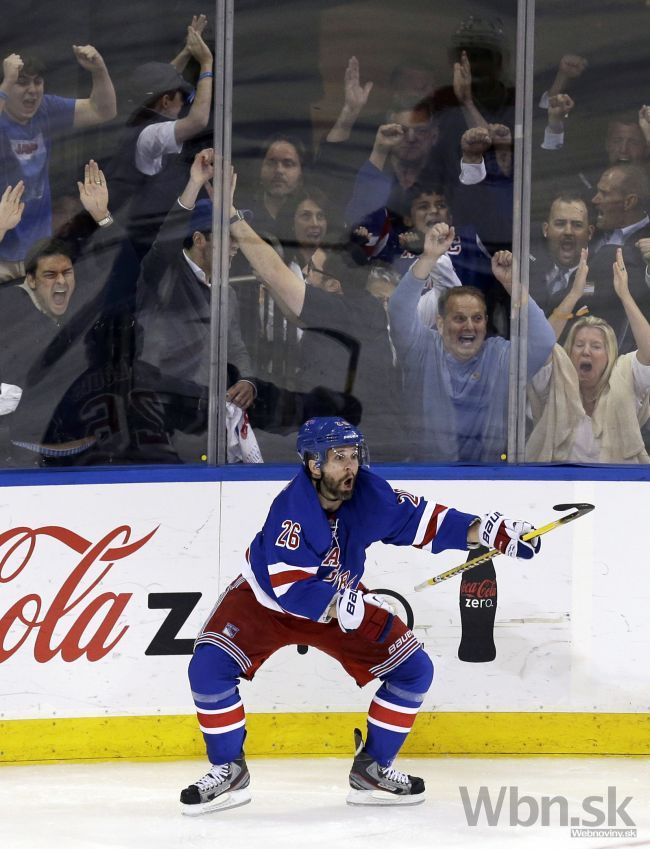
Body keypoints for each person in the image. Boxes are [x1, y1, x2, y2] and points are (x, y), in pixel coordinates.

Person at [180, 416, 542, 814]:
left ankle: (373, 770)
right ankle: (229, 769)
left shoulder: (370, 494)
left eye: (354, 455)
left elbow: (423, 520)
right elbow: (291, 589)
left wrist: (489, 532)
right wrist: (339, 605)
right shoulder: (292, 511)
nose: (351, 466)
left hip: (339, 599)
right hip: (265, 603)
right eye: (339, 458)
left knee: (413, 669)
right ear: (313, 465)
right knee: (208, 666)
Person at [388, 222, 556, 462]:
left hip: (490, 479)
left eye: (477, 318)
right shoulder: (422, 348)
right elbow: (398, 309)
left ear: (486, 322)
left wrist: (512, 285)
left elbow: (544, 341)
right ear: (441, 322)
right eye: (459, 318)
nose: (469, 326)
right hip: (426, 476)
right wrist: (429, 257)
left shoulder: (499, 357)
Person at [0, 47, 117, 280]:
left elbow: (102, 111)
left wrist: (99, 69)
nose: (32, 90)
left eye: (37, 82)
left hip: (41, 251)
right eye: (21, 82)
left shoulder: (46, 110)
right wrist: (6, 82)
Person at [527, 249, 650, 463]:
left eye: (596, 346)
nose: (586, 351)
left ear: (609, 355)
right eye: (579, 345)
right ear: (569, 352)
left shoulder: (625, 375)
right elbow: (540, 346)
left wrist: (625, 295)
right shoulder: (556, 379)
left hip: (620, 490)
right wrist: (574, 294)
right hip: (556, 490)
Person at [105, 22, 214, 259]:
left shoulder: (140, 112)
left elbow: (158, 82)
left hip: (134, 233)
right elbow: (198, 120)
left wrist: (187, 51)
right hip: (145, 244)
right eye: (181, 97)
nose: (183, 103)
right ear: (165, 102)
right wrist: (206, 64)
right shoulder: (151, 135)